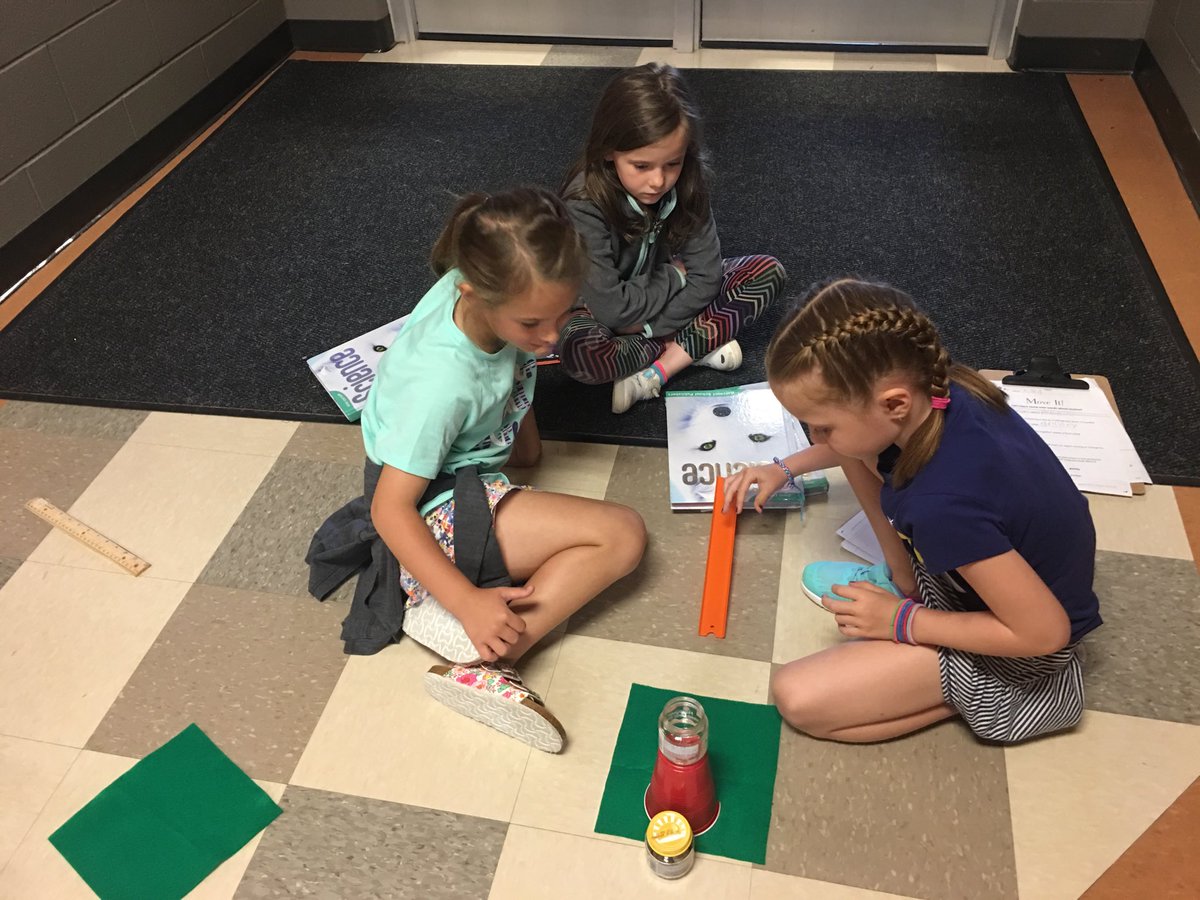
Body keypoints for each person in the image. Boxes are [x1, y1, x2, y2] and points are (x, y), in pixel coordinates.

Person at [724, 277, 1102, 744]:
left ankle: (1008, 695)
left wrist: (900, 622)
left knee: (798, 698)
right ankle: (907, 582)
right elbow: (854, 444)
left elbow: (1044, 633)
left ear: (895, 403)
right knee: (855, 450)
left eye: (821, 426)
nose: (813, 437)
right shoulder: (942, 388)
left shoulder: (942, 506)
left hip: (1027, 641)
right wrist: (784, 468)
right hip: (992, 582)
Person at [365, 187, 647, 752]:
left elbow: (514, 373)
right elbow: (388, 509)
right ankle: (485, 656)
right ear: (474, 292)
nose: (553, 336)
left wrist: (522, 445)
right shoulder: (440, 384)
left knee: (535, 463)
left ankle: (461, 603)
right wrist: (466, 602)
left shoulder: (482, 291)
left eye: (565, 314)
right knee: (622, 535)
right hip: (432, 507)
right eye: (534, 322)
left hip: (461, 470)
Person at [558, 62, 786, 414]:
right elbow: (611, 309)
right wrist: (677, 275)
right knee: (583, 356)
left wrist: (646, 326)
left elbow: (707, 276)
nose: (658, 181)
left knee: (767, 273)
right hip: (598, 311)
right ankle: (691, 345)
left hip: (649, 309)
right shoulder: (584, 202)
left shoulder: (689, 183)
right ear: (608, 151)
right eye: (641, 166)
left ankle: (660, 368)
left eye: (672, 164)